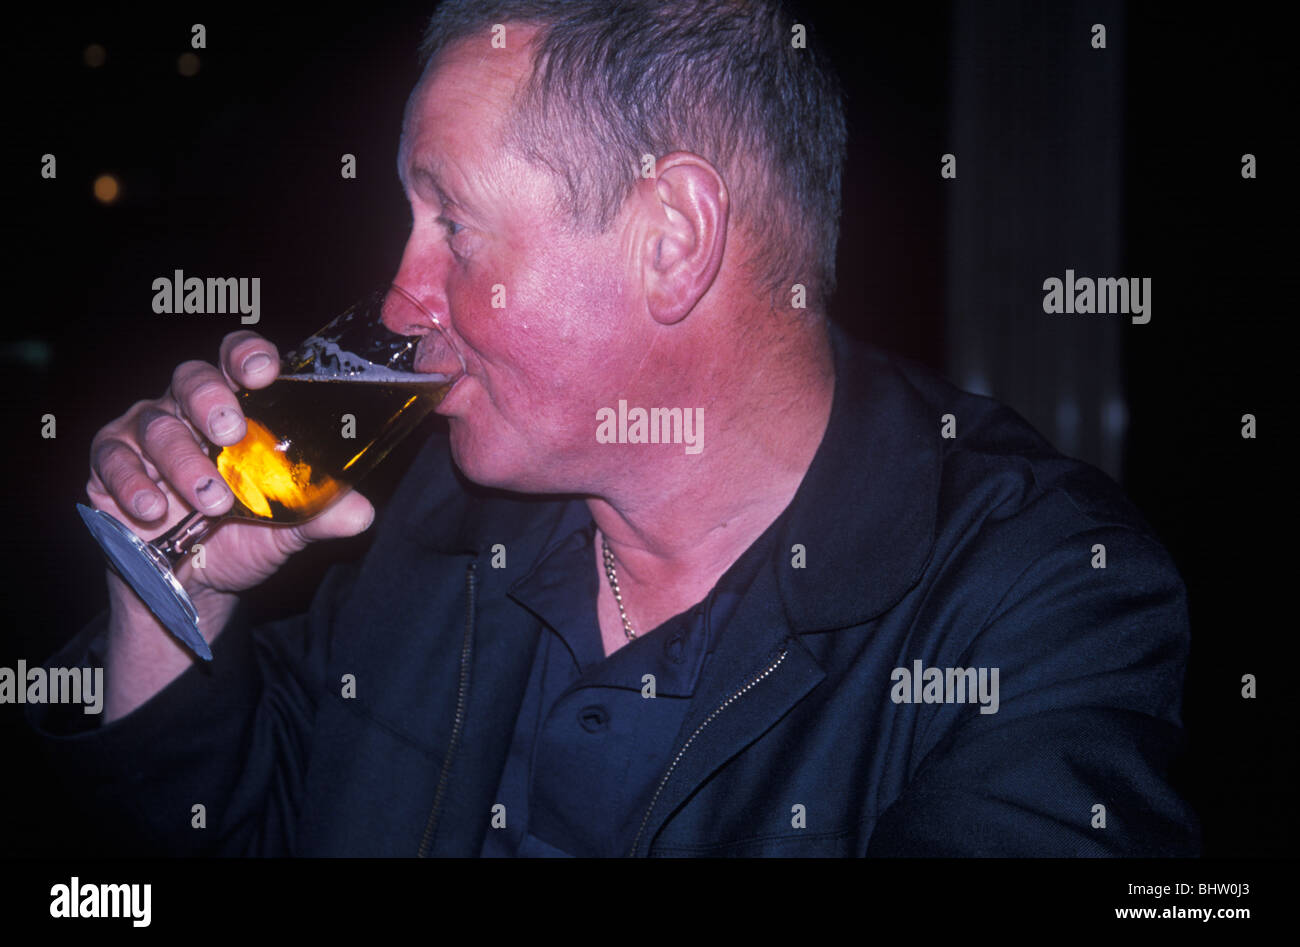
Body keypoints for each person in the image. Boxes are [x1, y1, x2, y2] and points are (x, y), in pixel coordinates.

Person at [29, 0, 1198, 856]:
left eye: (453, 224)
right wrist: (175, 590)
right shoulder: (431, 529)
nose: (397, 302)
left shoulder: (1040, 601)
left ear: (674, 239)